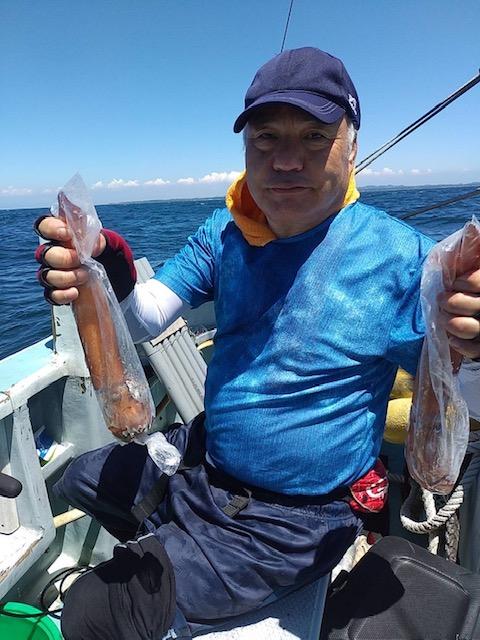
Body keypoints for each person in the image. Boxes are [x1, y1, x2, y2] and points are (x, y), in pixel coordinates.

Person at [34, 47, 480, 640]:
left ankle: (197, 565)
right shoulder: (227, 229)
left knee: (94, 610)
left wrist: (471, 336)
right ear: (246, 147)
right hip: (207, 456)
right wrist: (110, 277)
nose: (286, 160)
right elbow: (147, 316)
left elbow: (454, 378)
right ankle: (183, 548)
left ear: (351, 147)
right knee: (79, 479)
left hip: (296, 517)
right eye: (266, 137)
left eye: (314, 136)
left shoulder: (406, 262)